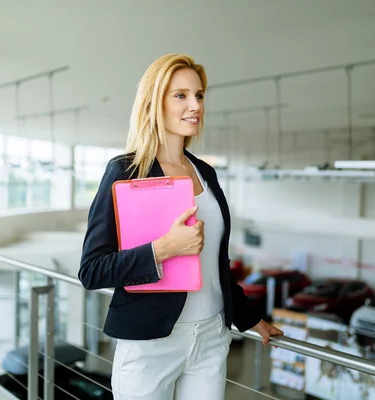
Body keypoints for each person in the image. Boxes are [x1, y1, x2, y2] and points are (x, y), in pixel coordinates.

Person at [78, 53, 283, 400]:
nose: (195, 105)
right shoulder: (125, 171)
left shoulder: (206, 172)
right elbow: (92, 270)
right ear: (154, 102)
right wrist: (163, 249)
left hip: (212, 336)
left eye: (199, 95)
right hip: (149, 343)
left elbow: (217, 263)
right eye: (181, 95)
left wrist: (249, 318)